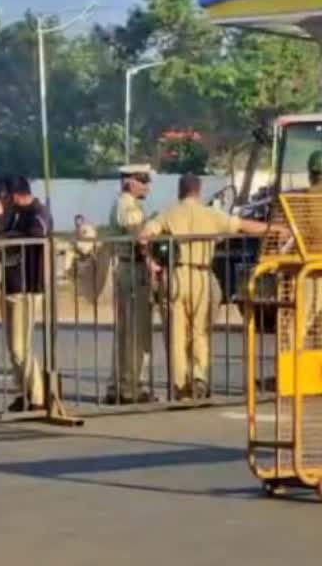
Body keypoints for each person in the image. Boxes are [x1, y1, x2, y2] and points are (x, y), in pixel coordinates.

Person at [139, 174, 277, 399]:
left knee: (176, 334)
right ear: (198, 191)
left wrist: (151, 262)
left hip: (175, 275)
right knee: (200, 331)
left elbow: (144, 236)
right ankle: (199, 377)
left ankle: (180, 384)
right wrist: (275, 229)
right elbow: (243, 225)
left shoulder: (168, 213)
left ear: (179, 190)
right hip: (202, 275)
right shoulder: (211, 214)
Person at [0, 176, 52, 411]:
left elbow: (36, 234)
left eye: (5, 197)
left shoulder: (37, 212)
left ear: (15, 195)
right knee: (13, 349)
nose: (3, 202)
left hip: (28, 286)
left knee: (20, 347)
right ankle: (23, 391)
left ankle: (37, 396)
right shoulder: (12, 213)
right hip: (10, 283)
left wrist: (6, 237)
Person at [107, 163, 154, 404]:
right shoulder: (127, 205)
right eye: (142, 179)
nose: (147, 185)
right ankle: (131, 388)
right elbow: (139, 236)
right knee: (136, 332)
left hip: (129, 268)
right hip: (132, 269)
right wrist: (150, 263)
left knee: (128, 331)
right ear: (129, 182)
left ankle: (120, 385)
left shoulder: (128, 204)